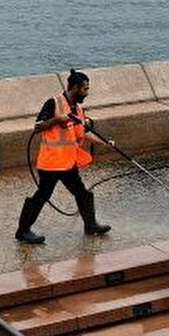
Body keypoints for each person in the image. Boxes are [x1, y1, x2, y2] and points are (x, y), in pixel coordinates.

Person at [15, 69, 113, 244]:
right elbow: (38, 127)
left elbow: (83, 133)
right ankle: (22, 232)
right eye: (85, 89)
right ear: (75, 87)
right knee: (42, 196)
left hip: (68, 163)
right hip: (51, 163)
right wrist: (56, 120)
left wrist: (104, 142)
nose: (87, 93)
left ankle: (91, 226)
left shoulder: (78, 109)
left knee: (82, 193)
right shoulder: (53, 103)